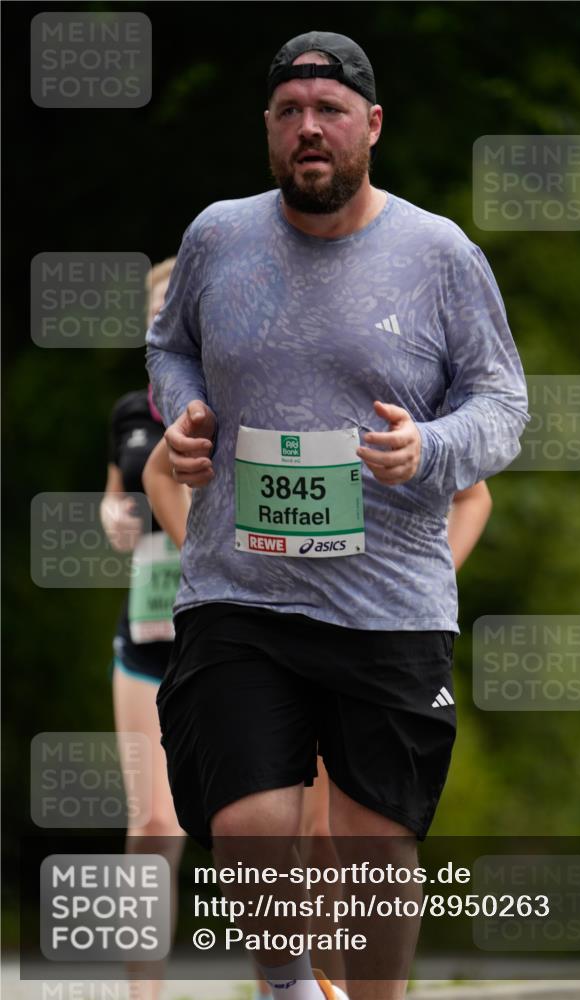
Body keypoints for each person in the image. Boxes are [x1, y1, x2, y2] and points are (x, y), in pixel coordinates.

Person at [146, 30, 528, 1000]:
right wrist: (182, 414)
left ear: (372, 125)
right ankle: (285, 987)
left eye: (329, 111)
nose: (308, 128)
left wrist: (428, 448)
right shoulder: (217, 236)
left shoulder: (438, 254)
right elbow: (170, 345)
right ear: (269, 129)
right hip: (240, 585)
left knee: (372, 852)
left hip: (386, 601)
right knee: (249, 822)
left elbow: (503, 407)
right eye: (288, 112)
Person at [143, 441, 493, 1000]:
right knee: (265, 828)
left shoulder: (398, 386)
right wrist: (214, 565)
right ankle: (292, 987)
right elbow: (158, 470)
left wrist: (423, 579)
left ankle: (343, 983)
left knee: (341, 837)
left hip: (370, 630)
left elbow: (474, 494)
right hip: (256, 627)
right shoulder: (229, 377)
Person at [100, 256, 184, 1000]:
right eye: (155, 308)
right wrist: (114, 518)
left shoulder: (230, 401)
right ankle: (143, 997)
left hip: (223, 639)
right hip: (144, 633)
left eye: (176, 305)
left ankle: (284, 981)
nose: (164, 317)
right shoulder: (130, 412)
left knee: (253, 826)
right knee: (154, 822)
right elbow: (115, 500)